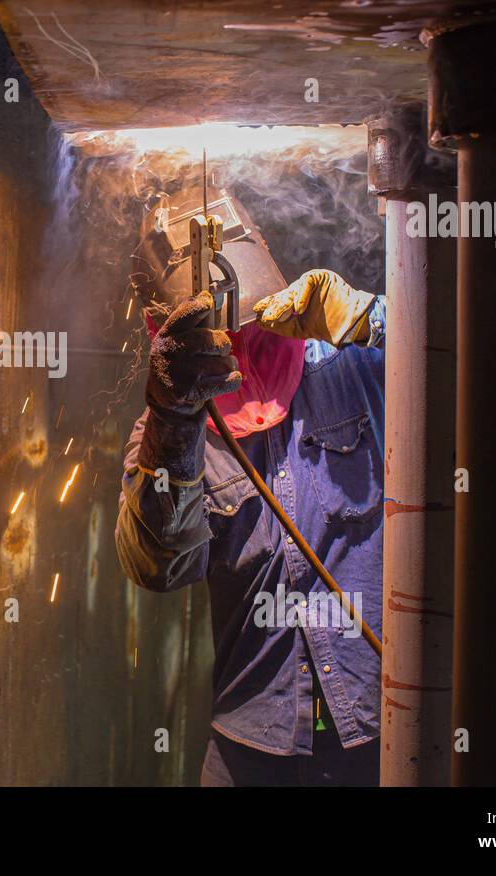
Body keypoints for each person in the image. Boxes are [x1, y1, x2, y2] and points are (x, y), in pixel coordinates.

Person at [116, 253, 387, 786]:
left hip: (384, 727)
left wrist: (373, 319)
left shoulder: (353, 366)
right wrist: (175, 421)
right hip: (253, 744)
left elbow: (467, 364)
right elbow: (155, 565)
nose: (237, 348)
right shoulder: (159, 437)